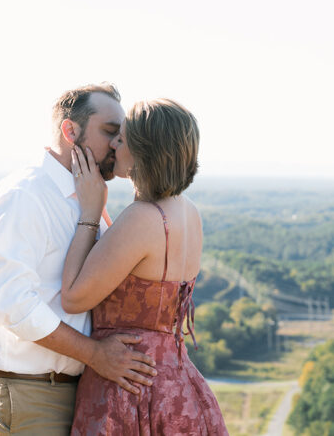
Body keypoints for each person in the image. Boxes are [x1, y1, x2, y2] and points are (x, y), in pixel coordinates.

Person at [0, 83, 158, 435]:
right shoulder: (26, 195)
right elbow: (10, 304)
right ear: (70, 131)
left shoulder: (86, 197)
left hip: (70, 391)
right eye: (109, 132)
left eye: (121, 135)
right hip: (30, 393)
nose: (117, 144)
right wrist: (96, 354)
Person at [62, 98, 228, 435]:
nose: (113, 145)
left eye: (121, 139)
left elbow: (73, 298)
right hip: (178, 384)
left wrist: (91, 213)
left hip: (130, 386)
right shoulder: (188, 211)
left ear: (143, 152)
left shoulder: (142, 219)